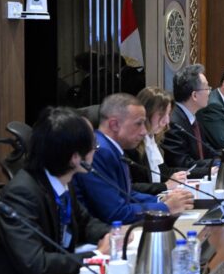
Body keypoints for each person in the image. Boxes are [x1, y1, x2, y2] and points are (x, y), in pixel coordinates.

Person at [0, 108, 113, 274]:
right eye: (93, 146)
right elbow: (36, 265)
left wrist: (111, 235)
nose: (95, 151)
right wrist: (96, 255)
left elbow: (85, 223)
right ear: (75, 158)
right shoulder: (21, 194)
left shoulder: (61, 180)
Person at [73, 94, 194, 224]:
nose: (144, 131)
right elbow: (115, 212)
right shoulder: (100, 151)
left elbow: (127, 194)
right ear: (114, 124)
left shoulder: (113, 148)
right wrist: (165, 208)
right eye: (139, 124)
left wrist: (161, 200)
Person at [126, 87, 194, 194]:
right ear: (145, 113)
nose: (166, 121)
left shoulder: (153, 139)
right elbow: (129, 187)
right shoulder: (130, 145)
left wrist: (206, 171)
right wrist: (165, 186)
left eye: (168, 114)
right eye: (161, 115)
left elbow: (164, 172)